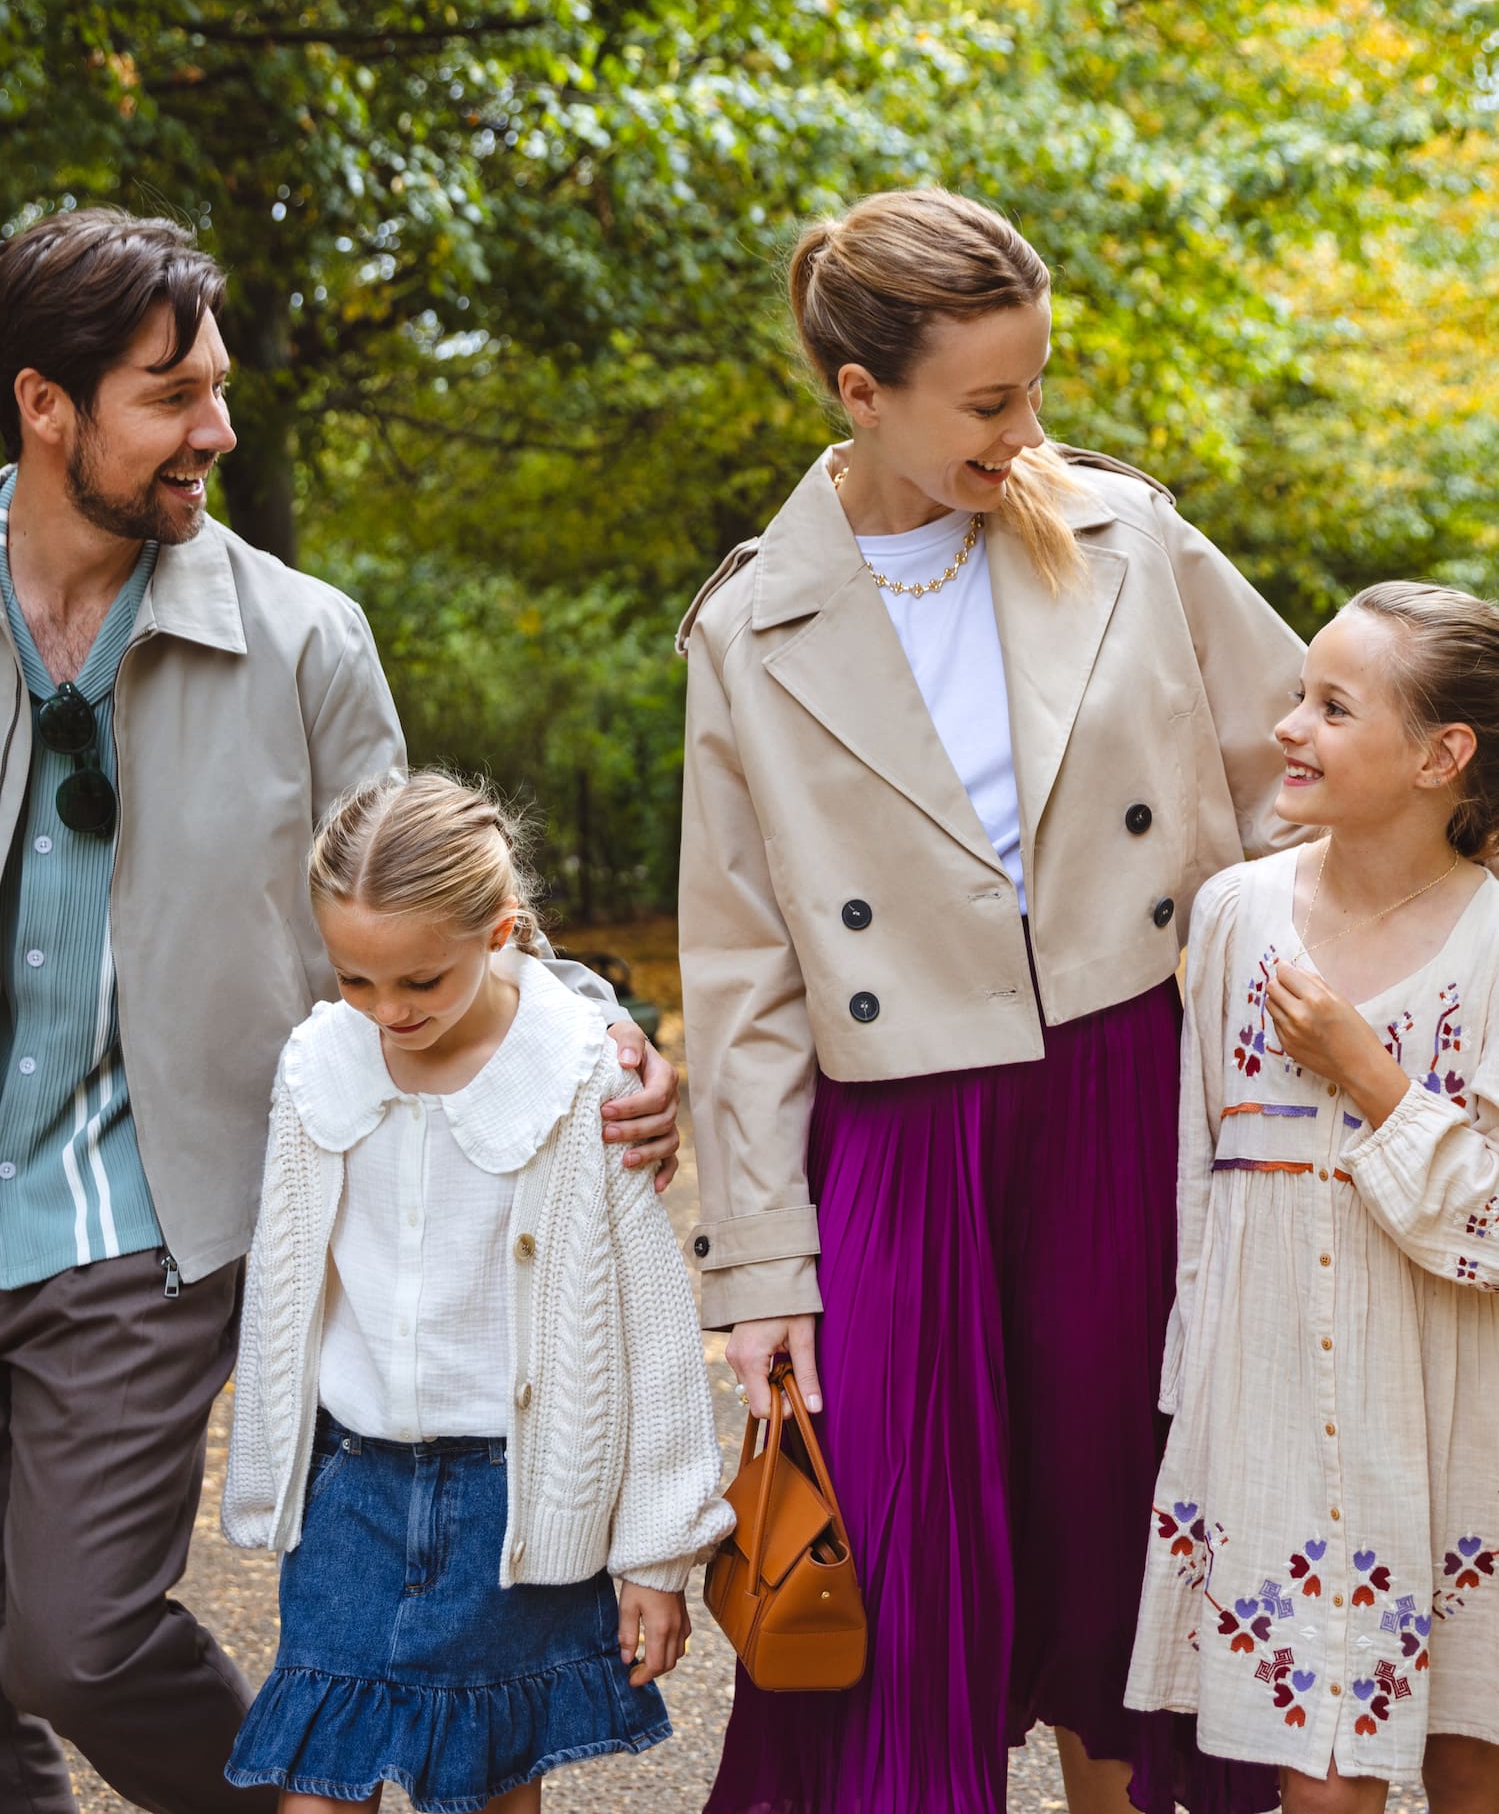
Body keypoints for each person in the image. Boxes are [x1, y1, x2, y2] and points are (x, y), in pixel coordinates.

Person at [0, 206, 681, 1814]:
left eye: (216, 386)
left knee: (73, 1636)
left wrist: (586, 1013)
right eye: (171, 393)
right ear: (47, 405)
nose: (215, 430)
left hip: (146, 1209)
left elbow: (416, 885)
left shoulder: (302, 638)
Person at [676, 187, 1306, 1814]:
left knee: (1119, 1529)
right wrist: (758, 1269)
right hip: (893, 1127)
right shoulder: (749, 626)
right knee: (878, 1563)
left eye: (1032, 383)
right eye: (986, 400)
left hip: (1131, 1083)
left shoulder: (1124, 533)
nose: (1025, 427)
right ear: (858, 393)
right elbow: (740, 969)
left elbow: (1303, 770)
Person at [220, 768, 731, 1812]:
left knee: (484, 1783)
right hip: (354, 1491)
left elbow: (653, 1328)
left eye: (420, 981)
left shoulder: (583, 1076)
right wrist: (273, 1477)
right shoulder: (318, 1066)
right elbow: (282, 1292)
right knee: (315, 1776)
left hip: (514, 1500)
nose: (387, 1011)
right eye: (356, 980)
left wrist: (657, 1553)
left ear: (500, 931)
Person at [1126, 582, 1499, 1814]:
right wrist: (1198, 1395)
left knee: (1467, 1759)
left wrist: (1373, 1079)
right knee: (1319, 1776)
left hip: (1460, 1430)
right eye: (1298, 694)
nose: (1289, 726)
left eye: (1331, 706)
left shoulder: (1495, 944)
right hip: (1272, 1410)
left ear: (1442, 755)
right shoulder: (1234, 916)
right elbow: (1200, 1189)